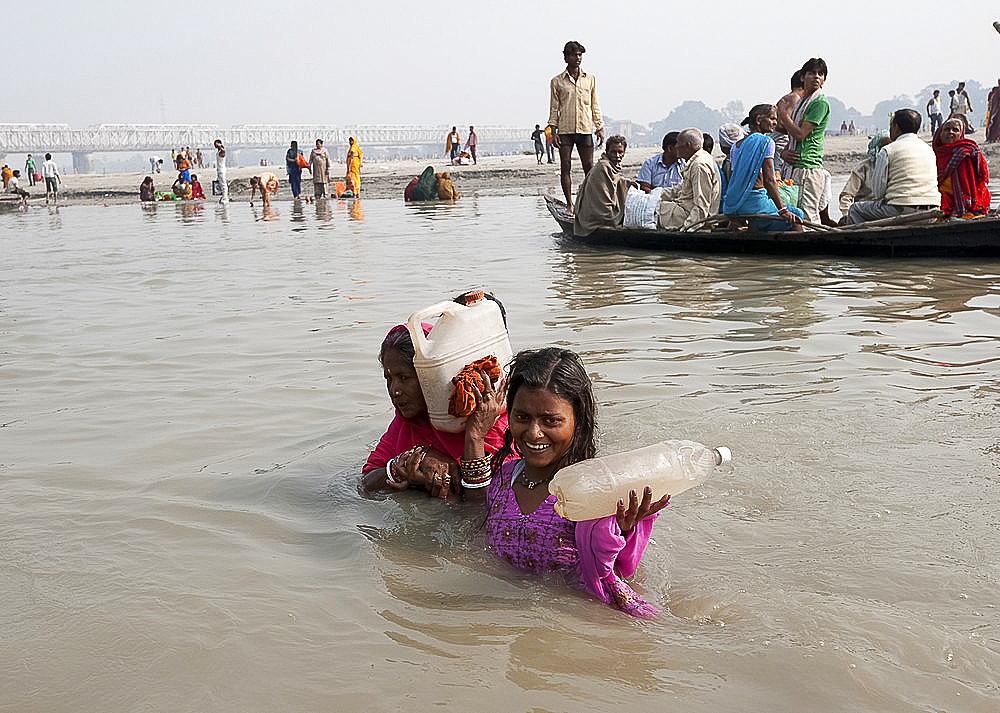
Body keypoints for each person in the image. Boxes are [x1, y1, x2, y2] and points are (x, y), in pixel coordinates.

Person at [484, 347, 669, 618]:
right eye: (522, 417)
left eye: (551, 420)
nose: (534, 433)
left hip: (572, 618)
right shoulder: (502, 478)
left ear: (577, 419)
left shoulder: (597, 491)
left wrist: (622, 530)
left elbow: (614, 573)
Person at [361, 322, 509, 499]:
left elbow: (488, 506)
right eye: (389, 378)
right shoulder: (406, 424)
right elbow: (366, 483)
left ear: (434, 376)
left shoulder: (488, 420)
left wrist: (474, 438)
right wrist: (412, 462)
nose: (395, 390)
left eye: (404, 377)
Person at [845, 109, 940, 225]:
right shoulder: (928, 150)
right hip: (932, 211)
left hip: (901, 210)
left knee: (855, 209)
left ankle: (859, 241)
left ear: (896, 128)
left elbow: (878, 192)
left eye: (891, 126)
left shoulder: (887, 150)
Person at [722, 104, 804, 232]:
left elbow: (732, 178)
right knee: (797, 214)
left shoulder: (735, 146)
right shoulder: (766, 142)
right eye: (772, 118)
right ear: (759, 120)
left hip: (734, 204)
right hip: (756, 204)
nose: (775, 123)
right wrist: (783, 210)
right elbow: (769, 181)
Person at [548, 40, 604, 212]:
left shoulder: (590, 79)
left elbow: (595, 104)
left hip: (585, 128)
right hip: (565, 130)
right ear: (566, 57)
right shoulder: (557, 81)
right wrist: (553, 132)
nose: (577, 58)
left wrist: (599, 126)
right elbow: (554, 107)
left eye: (579, 55)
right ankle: (570, 205)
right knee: (565, 167)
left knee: (589, 168)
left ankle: (589, 202)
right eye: (574, 55)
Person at [777, 58, 830, 225]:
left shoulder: (819, 102)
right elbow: (791, 135)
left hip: (808, 167)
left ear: (824, 80)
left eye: (820, 74)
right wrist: (784, 152)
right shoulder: (802, 102)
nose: (816, 77)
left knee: (808, 214)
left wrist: (783, 115)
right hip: (794, 166)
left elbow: (800, 134)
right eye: (812, 73)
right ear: (803, 77)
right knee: (795, 211)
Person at [657, 129, 722, 230]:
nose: (676, 146)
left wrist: (688, 228)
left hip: (690, 216)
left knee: (652, 211)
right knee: (651, 204)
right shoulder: (697, 160)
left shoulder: (699, 165)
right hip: (684, 209)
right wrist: (656, 194)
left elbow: (701, 206)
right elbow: (681, 189)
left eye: (678, 143)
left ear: (688, 145)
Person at [572, 135, 633, 236]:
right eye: (613, 152)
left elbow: (617, 183)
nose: (617, 156)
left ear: (624, 153)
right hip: (594, 217)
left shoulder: (612, 167)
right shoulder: (604, 167)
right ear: (607, 151)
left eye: (620, 152)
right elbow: (603, 203)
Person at [933, 115, 991, 219]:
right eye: (947, 129)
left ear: (961, 134)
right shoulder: (933, 154)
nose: (950, 132)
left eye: (955, 130)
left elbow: (978, 181)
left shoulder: (966, 152)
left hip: (968, 203)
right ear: (940, 134)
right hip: (941, 200)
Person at [838, 131, 890, 220]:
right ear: (876, 149)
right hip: (864, 213)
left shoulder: (895, 166)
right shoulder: (863, 168)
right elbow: (847, 195)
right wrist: (846, 214)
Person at [771, 70, 804, 179]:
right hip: (780, 144)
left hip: (780, 144)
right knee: (780, 179)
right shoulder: (794, 98)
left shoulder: (789, 98)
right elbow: (783, 124)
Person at [214, 139, 228, 203]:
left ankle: (225, 198)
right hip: (219, 170)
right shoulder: (218, 152)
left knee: (223, 184)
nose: (215, 145)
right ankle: (223, 196)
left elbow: (223, 151)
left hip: (222, 170)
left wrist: (220, 145)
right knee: (221, 184)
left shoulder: (222, 152)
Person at [986, 79, 1000, 143]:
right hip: (996, 111)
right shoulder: (996, 92)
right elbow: (994, 103)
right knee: (994, 124)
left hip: (995, 111)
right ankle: (992, 138)